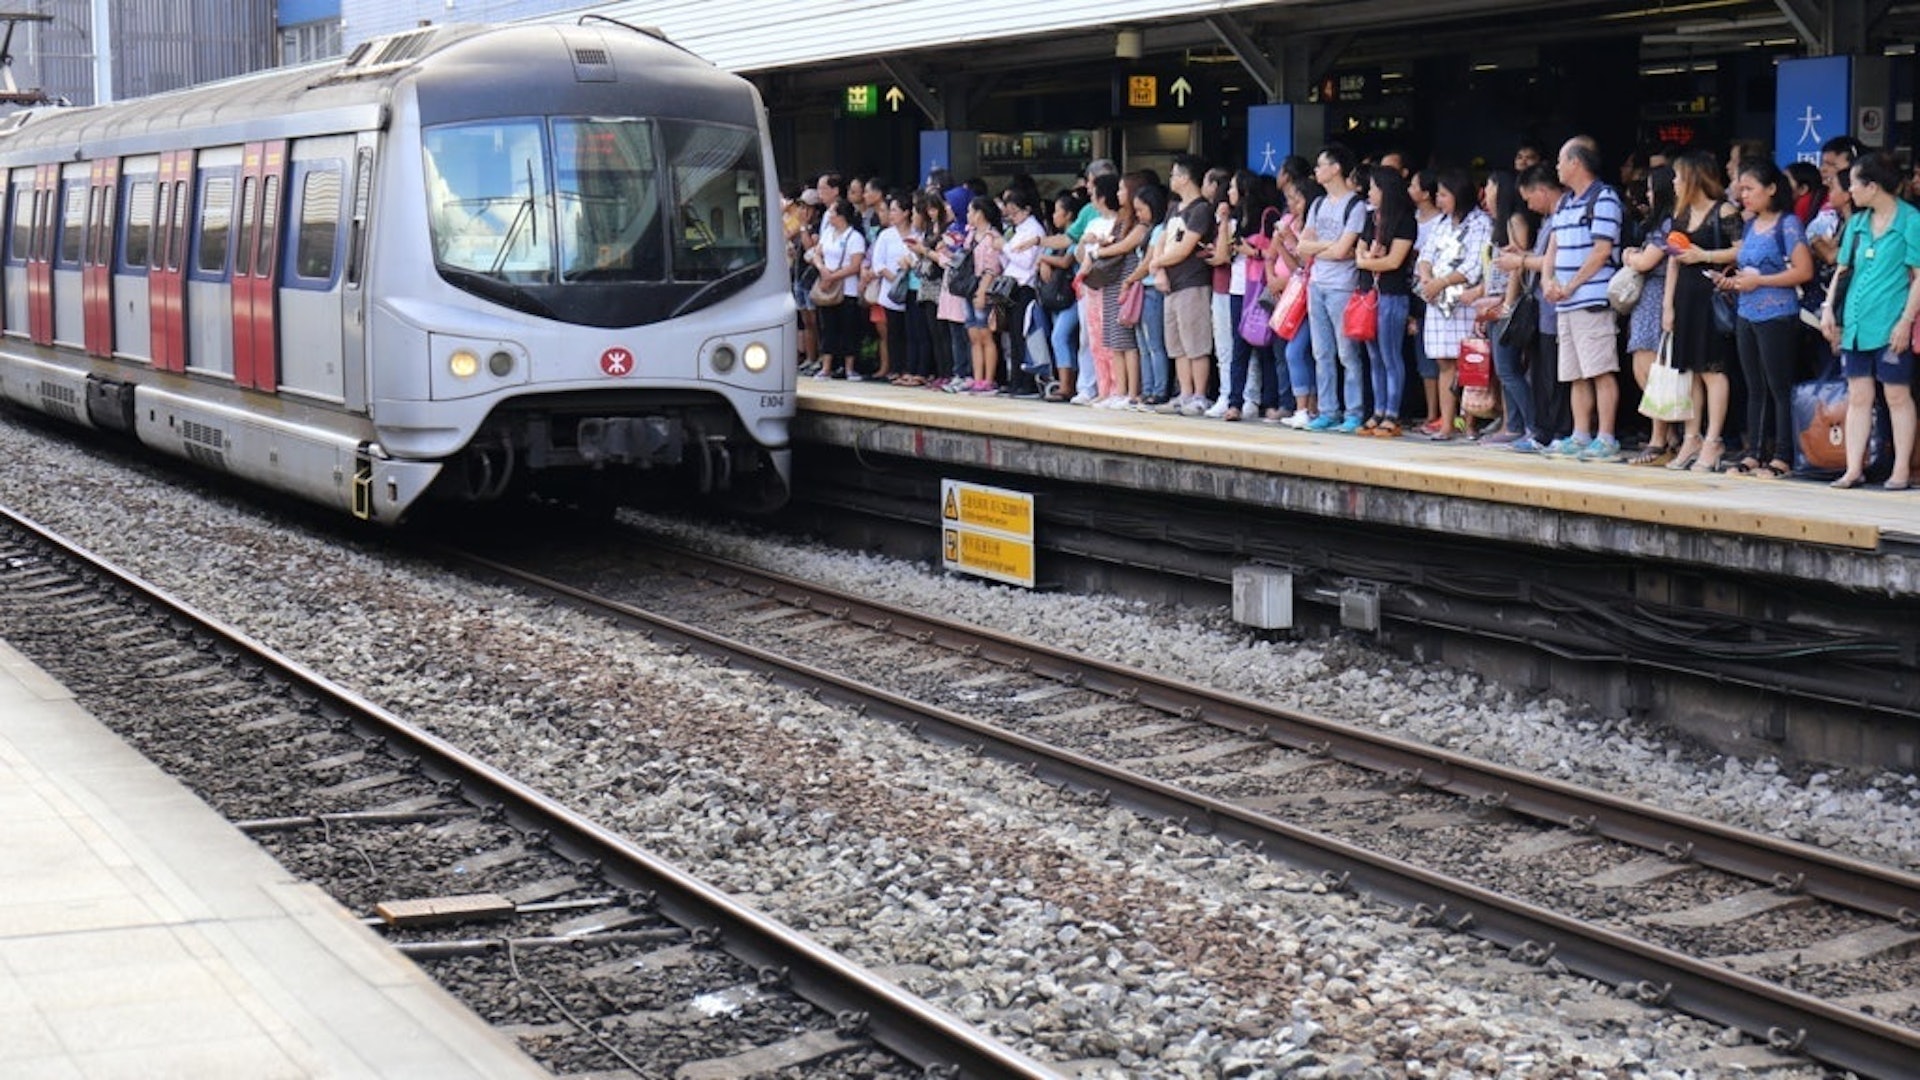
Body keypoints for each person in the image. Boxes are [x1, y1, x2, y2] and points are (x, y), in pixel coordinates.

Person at [1824, 152, 1920, 490]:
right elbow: (1842, 269)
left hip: (1891, 321)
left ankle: (1900, 470)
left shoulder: (1911, 220)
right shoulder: (1858, 224)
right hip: (1856, 322)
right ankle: (1853, 468)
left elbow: (1918, 275)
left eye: (1854, 184)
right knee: (1859, 395)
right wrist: (1828, 310)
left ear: (1873, 186)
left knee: (1896, 395)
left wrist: (1906, 322)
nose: (1850, 191)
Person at [1724, 159, 1814, 478]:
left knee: (1779, 386)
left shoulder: (1787, 224)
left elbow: (1804, 271)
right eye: (1741, 189)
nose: (1743, 194)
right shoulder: (1750, 224)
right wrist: (1732, 281)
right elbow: (1750, 268)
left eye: (1749, 188)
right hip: (1747, 312)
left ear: (1772, 189)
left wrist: (1759, 281)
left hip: (1777, 313)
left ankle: (1783, 455)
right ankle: (1754, 453)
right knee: (1754, 387)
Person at [1541, 137, 1626, 460]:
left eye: (1561, 160)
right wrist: (1549, 281)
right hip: (1565, 301)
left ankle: (1606, 437)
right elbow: (1553, 247)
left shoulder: (1605, 199)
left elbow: (1602, 252)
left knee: (1600, 369)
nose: (1557, 167)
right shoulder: (1563, 203)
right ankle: (1580, 433)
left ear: (1576, 162)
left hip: (1590, 299)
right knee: (1575, 373)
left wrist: (1570, 285)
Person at [1662, 149, 1744, 471]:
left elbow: (1740, 251)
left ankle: (1714, 439)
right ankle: (1691, 436)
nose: (1674, 182)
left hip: (1711, 298)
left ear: (1693, 179)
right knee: (1690, 370)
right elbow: (1672, 260)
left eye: (1678, 176)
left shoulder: (1723, 211)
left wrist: (1704, 255)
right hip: (1684, 297)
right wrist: (1667, 305)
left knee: (1713, 369)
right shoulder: (1680, 214)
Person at [1416, 168, 1493, 440]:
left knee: (1469, 362)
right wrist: (1427, 278)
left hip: (1465, 300)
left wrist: (1442, 282)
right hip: (1437, 301)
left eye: (1444, 194)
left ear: (1459, 195)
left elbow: (1474, 265)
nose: (1439, 199)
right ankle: (1447, 425)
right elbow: (1425, 256)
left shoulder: (1480, 223)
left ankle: (1469, 422)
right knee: (1444, 364)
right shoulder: (1440, 223)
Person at [1297, 143, 1370, 431]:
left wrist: (1321, 248)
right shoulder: (1318, 203)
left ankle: (1354, 411)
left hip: (1342, 286)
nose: (1316, 170)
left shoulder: (1355, 206)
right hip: (1317, 283)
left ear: (1335, 168)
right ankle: (1328, 409)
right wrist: (1329, 246)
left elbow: (1343, 252)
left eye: (1320, 164)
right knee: (1321, 352)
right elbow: (1303, 246)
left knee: (1347, 352)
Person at [1148, 154, 1218, 416]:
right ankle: (1184, 392)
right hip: (1171, 283)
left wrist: (1157, 264)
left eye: (1175, 174)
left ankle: (1199, 395)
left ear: (1186, 177)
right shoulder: (1174, 208)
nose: (1172, 179)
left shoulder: (1201, 209)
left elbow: (1185, 248)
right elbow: (1162, 241)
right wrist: (1159, 266)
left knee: (1196, 341)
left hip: (1192, 281)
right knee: (1176, 344)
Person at [1478, 169, 1539, 446]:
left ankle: (1532, 425)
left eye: (1489, 186)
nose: (1486, 192)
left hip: (1507, 303)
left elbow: (1517, 266)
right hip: (1492, 302)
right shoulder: (1498, 223)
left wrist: (1509, 304)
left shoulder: (1515, 220)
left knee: (1509, 369)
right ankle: (1512, 424)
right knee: (1503, 370)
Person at [1354, 168, 1416, 436]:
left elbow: (1394, 261)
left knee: (1391, 355)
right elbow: (1358, 252)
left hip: (1392, 295)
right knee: (1374, 355)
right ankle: (1377, 411)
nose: (1369, 192)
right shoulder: (1371, 218)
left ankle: (1392, 413)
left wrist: (1369, 259)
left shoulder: (1404, 221)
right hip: (1369, 294)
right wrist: (1370, 257)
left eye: (1373, 188)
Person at [1621, 166, 1677, 464]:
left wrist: (1629, 255)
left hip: (1657, 297)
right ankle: (1667, 435)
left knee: (1652, 371)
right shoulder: (1659, 223)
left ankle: (1659, 440)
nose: (1649, 195)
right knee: (1643, 369)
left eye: (1654, 189)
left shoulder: (1668, 224)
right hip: (1648, 300)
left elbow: (1645, 261)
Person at [809, 198, 866, 381]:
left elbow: (855, 265)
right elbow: (817, 253)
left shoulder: (854, 237)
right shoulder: (827, 233)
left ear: (841, 216)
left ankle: (849, 368)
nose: (830, 216)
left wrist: (832, 277)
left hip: (846, 288)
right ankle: (826, 367)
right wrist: (822, 269)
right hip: (827, 284)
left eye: (833, 212)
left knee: (848, 327)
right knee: (828, 327)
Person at [867, 192, 913, 384]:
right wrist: (895, 279)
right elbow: (878, 264)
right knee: (893, 332)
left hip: (911, 290)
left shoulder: (915, 233)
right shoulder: (886, 235)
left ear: (906, 213)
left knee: (911, 331)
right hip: (891, 291)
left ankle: (910, 368)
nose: (891, 214)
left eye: (895, 210)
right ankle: (895, 368)